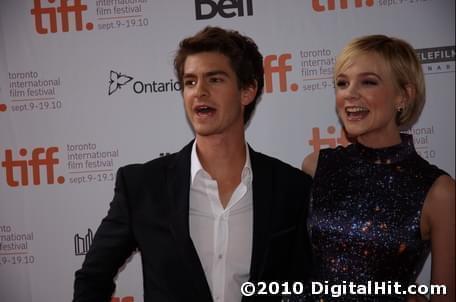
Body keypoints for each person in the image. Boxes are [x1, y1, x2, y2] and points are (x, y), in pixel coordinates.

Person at [73, 26, 312, 302]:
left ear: (247, 91)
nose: (199, 92)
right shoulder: (142, 187)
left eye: (215, 79)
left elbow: (304, 285)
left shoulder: (290, 188)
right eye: (190, 82)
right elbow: (92, 278)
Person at [301, 35, 455, 301]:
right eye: (342, 83)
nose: (349, 93)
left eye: (368, 82)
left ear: (403, 96)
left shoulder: (438, 192)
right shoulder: (316, 166)